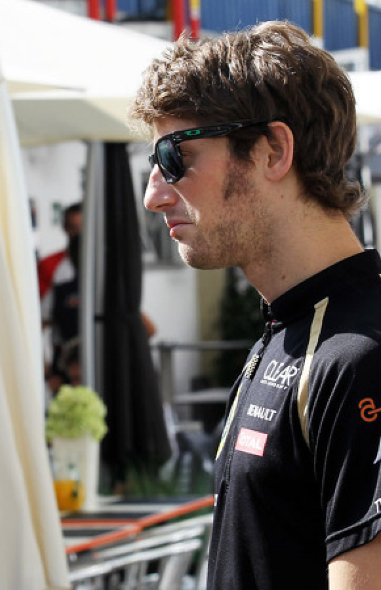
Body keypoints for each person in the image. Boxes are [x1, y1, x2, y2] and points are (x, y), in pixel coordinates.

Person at [130, 21, 378, 590]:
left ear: (272, 150)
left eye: (176, 156)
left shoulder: (359, 357)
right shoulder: (290, 330)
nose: (154, 193)